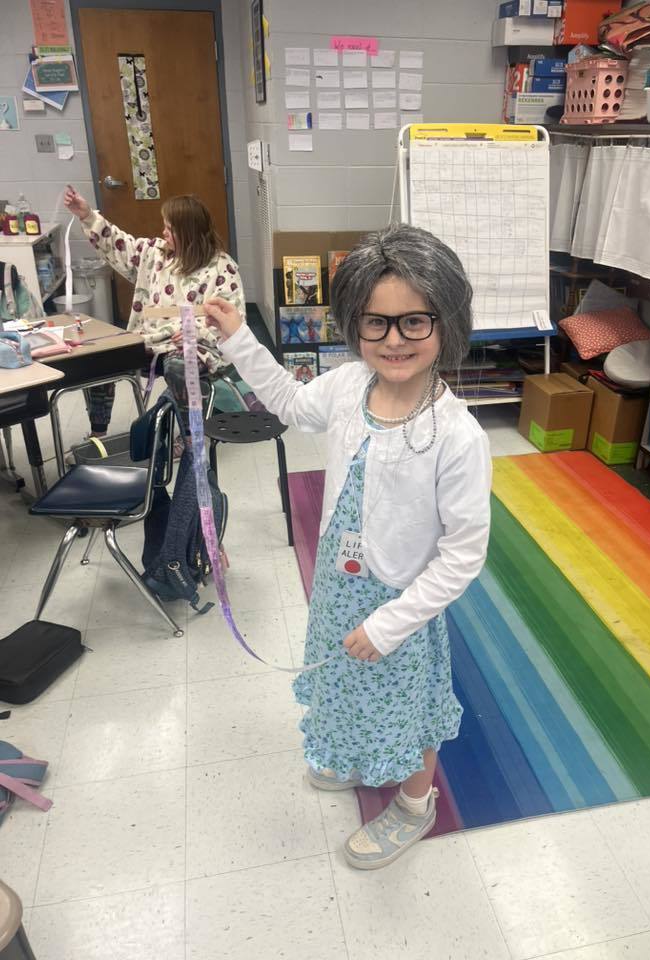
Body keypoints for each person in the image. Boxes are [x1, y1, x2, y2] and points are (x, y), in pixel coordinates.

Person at [203, 224, 492, 870]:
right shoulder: (343, 387)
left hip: (401, 606)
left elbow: (463, 555)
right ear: (352, 325)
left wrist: (390, 624)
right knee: (345, 684)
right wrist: (236, 338)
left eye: (414, 322)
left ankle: (416, 806)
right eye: (375, 323)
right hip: (340, 586)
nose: (393, 341)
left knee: (409, 708)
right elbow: (283, 400)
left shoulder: (458, 436)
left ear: (446, 321)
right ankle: (357, 755)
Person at [63, 186, 246, 439]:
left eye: (169, 229)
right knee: (100, 358)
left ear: (188, 232)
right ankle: (97, 436)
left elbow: (232, 320)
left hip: (195, 345)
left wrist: (197, 333)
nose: (163, 233)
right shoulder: (155, 254)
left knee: (181, 367)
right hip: (149, 338)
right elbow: (118, 244)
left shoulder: (222, 268)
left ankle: (191, 438)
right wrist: (86, 215)